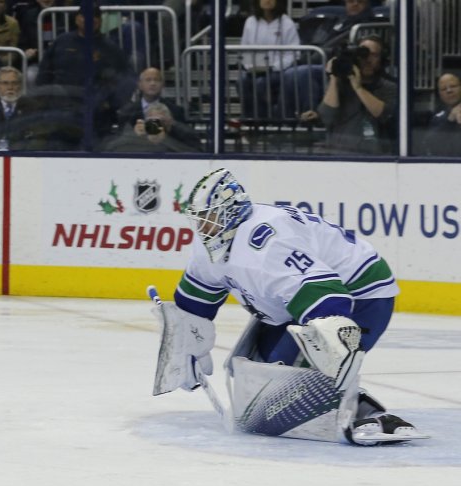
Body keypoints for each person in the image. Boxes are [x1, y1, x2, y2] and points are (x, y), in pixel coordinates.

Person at [155, 167, 427, 446]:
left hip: (361, 295)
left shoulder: (266, 243)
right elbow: (193, 303)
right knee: (255, 386)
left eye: (209, 220)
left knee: (283, 389)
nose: (202, 229)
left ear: (230, 212)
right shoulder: (208, 247)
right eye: (198, 221)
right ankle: (335, 393)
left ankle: (365, 411)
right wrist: (186, 345)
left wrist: (328, 357)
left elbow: (330, 301)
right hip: (293, 302)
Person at [35, 4, 134, 136]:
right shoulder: (62, 41)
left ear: (100, 21)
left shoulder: (111, 49)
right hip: (60, 109)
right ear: (77, 19)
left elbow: (125, 80)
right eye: (85, 15)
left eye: (95, 16)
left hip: (95, 114)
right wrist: (46, 100)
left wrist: (108, 104)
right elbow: (44, 72)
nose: (90, 19)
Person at [282, 0, 375, 116]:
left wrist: (316, 55)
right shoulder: (336, 20)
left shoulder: (367, 25)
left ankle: (311, 117)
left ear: (367, 3)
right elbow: (315, 41)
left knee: (302, 73)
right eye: (351, 1)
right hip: (316, 59)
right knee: (283, 73)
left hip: (338, 65)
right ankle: (285, 119)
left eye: (359, 1)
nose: (355, 4)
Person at [312, 35, 396, 155]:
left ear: (382, 59)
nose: (367, 59)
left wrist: (358, 88)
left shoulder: (389, 86)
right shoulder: (340, 84)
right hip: (340, 153)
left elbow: (384, 115)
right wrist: (334, 77)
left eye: (374, 55)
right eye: (363, 54)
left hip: (377, 156)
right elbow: (327, 117)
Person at [237, 0, 299, 120]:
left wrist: (274, 67)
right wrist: (249, 65)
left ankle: (264, 120)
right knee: (242, 81)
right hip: (254, 69)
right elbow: (244, 49)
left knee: (261, 83)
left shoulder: (287, 23)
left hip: (278, 70)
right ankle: (249, 119)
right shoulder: (250, 22)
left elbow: (293, 54)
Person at [116, 67, 201, 150]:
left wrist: (172, 125)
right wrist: (133, 134)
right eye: (148, 80)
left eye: (156, 80)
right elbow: (119, 141)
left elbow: (189, 142)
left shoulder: (176, 110)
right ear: (140, 85)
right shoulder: (126, 111)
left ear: (163, 84)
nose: (152, 83)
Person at [421, 72, 461, 156]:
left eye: (453, 86)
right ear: (440, 94)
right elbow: (431, 146)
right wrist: (450, 120)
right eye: (443, 89)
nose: (449, 91)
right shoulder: (437, 117)